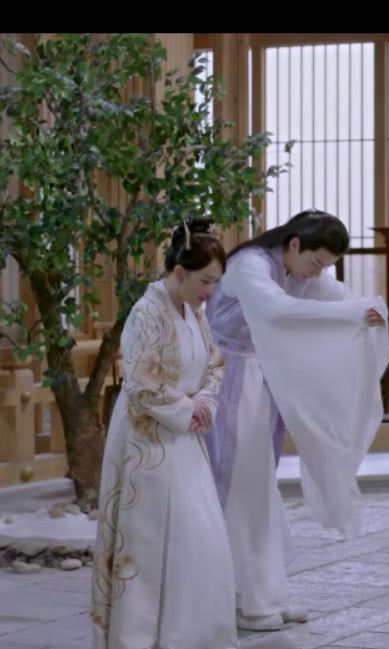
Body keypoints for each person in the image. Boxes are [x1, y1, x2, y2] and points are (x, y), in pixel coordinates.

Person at [204, 209, 389, 632]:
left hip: (259, 382)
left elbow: (337, 296)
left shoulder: (297, 272)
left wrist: (370, 311)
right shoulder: (249, 265)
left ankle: (266, 593)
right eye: (316, 262)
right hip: (227, 379)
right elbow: (277, 311)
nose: (317, 272)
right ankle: (244, 598)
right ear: (293, 244)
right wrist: (355, 312)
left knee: (259, 489)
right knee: (240, 488)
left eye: (325, 266)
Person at [91, 219, 236, 649]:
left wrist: (203, 403)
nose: (211, 290)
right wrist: (186, 409)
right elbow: (141, 380)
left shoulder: (194, 312)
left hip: (183, 436)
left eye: (215, 282)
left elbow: (214, 363)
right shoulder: (147, 312)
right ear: (179, 272)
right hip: (147, 436)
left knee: (199, 536)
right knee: (146, 540)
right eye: (206, 281)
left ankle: (193, 635)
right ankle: (140, 637)